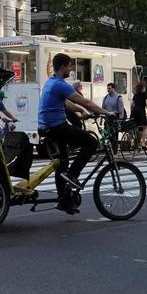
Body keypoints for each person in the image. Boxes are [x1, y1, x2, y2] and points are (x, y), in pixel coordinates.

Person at [39, 52, 117, 214]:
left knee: (62, 162)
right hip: (56, 127)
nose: (71, 69)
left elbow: (67, 104)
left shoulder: (50, 82)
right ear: (62, 67)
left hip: (47, 127)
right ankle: (72, 175)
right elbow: (85, 101)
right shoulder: (60, 84)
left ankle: (64, 201)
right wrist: (106, 113)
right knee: (92, 143)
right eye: (69, 66)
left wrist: (82, 111)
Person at [130, 83, 147, 148]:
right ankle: (143, 143)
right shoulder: (145, 94)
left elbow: (132, 105)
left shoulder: (135, 95)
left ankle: (134, 142)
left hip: (134, 111)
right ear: (143, 88)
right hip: (141, 111)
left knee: (137, 127)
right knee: (145, 127)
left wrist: (132, 112)